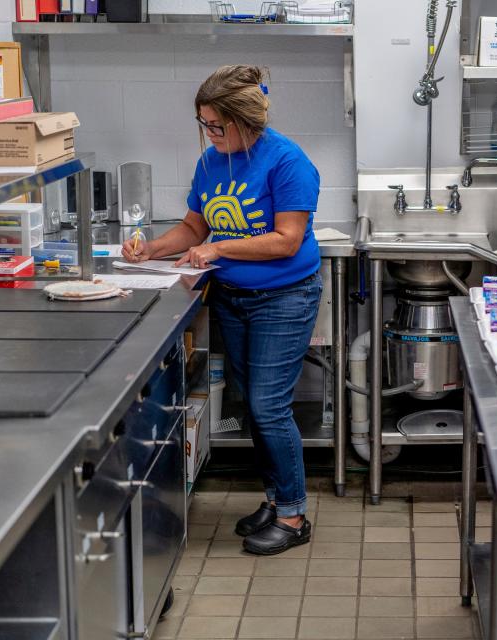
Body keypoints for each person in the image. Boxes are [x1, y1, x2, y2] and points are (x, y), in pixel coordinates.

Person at [122, 65, 322, 556]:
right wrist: (151, 249)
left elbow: (286, 240)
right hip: (233, 299)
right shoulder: (211, 162)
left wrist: (221, 248)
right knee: (253, 407)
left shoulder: (287, 161)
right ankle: (276, 500)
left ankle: (294, 515)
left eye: (216, 125)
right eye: (203, 124)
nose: (209, 134)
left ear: (244, 121)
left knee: (270, 406)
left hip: (284, 298)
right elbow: (193, 228)